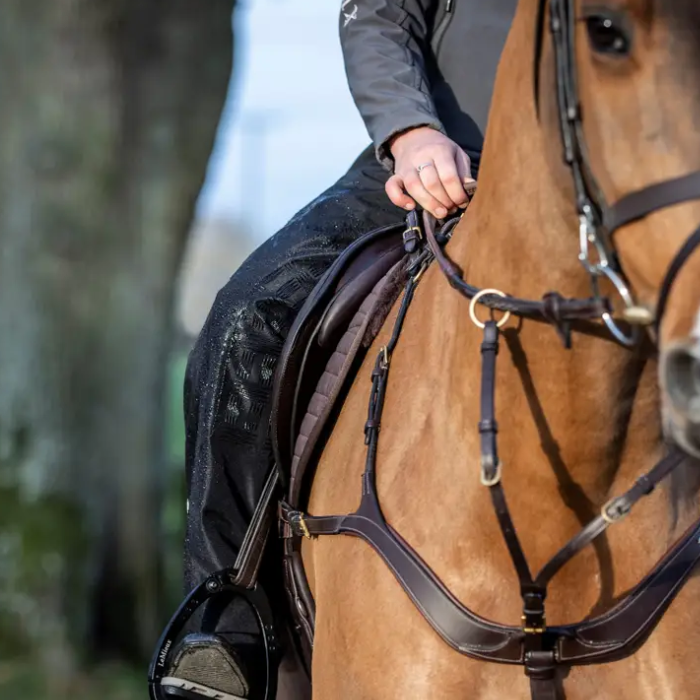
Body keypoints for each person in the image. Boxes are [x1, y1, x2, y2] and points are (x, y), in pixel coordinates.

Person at [159, 1, 517, 698]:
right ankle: (226, 629)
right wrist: (412, 133)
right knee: (245, 320)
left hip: (628, 200)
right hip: (433, 174)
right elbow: (378, 17)